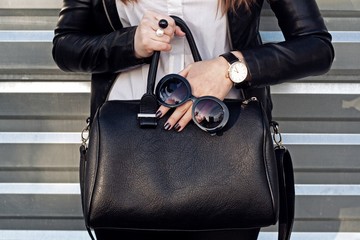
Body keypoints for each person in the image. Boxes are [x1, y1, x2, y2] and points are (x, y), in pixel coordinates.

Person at [52, 0, 334, 239]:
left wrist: (229, 68)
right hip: (127, 154)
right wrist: (132, 43)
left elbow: (316, 47)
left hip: (228, 146)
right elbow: (66, 46)